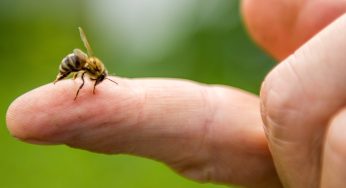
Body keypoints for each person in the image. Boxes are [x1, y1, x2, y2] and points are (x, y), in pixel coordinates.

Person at [6, 0, 346, 187]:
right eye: (96, 77)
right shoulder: (87, 70)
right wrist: (79, 85)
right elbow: (80, 72)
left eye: (95, 77)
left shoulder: (93, 69)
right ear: (93, 71)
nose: (95, 80)